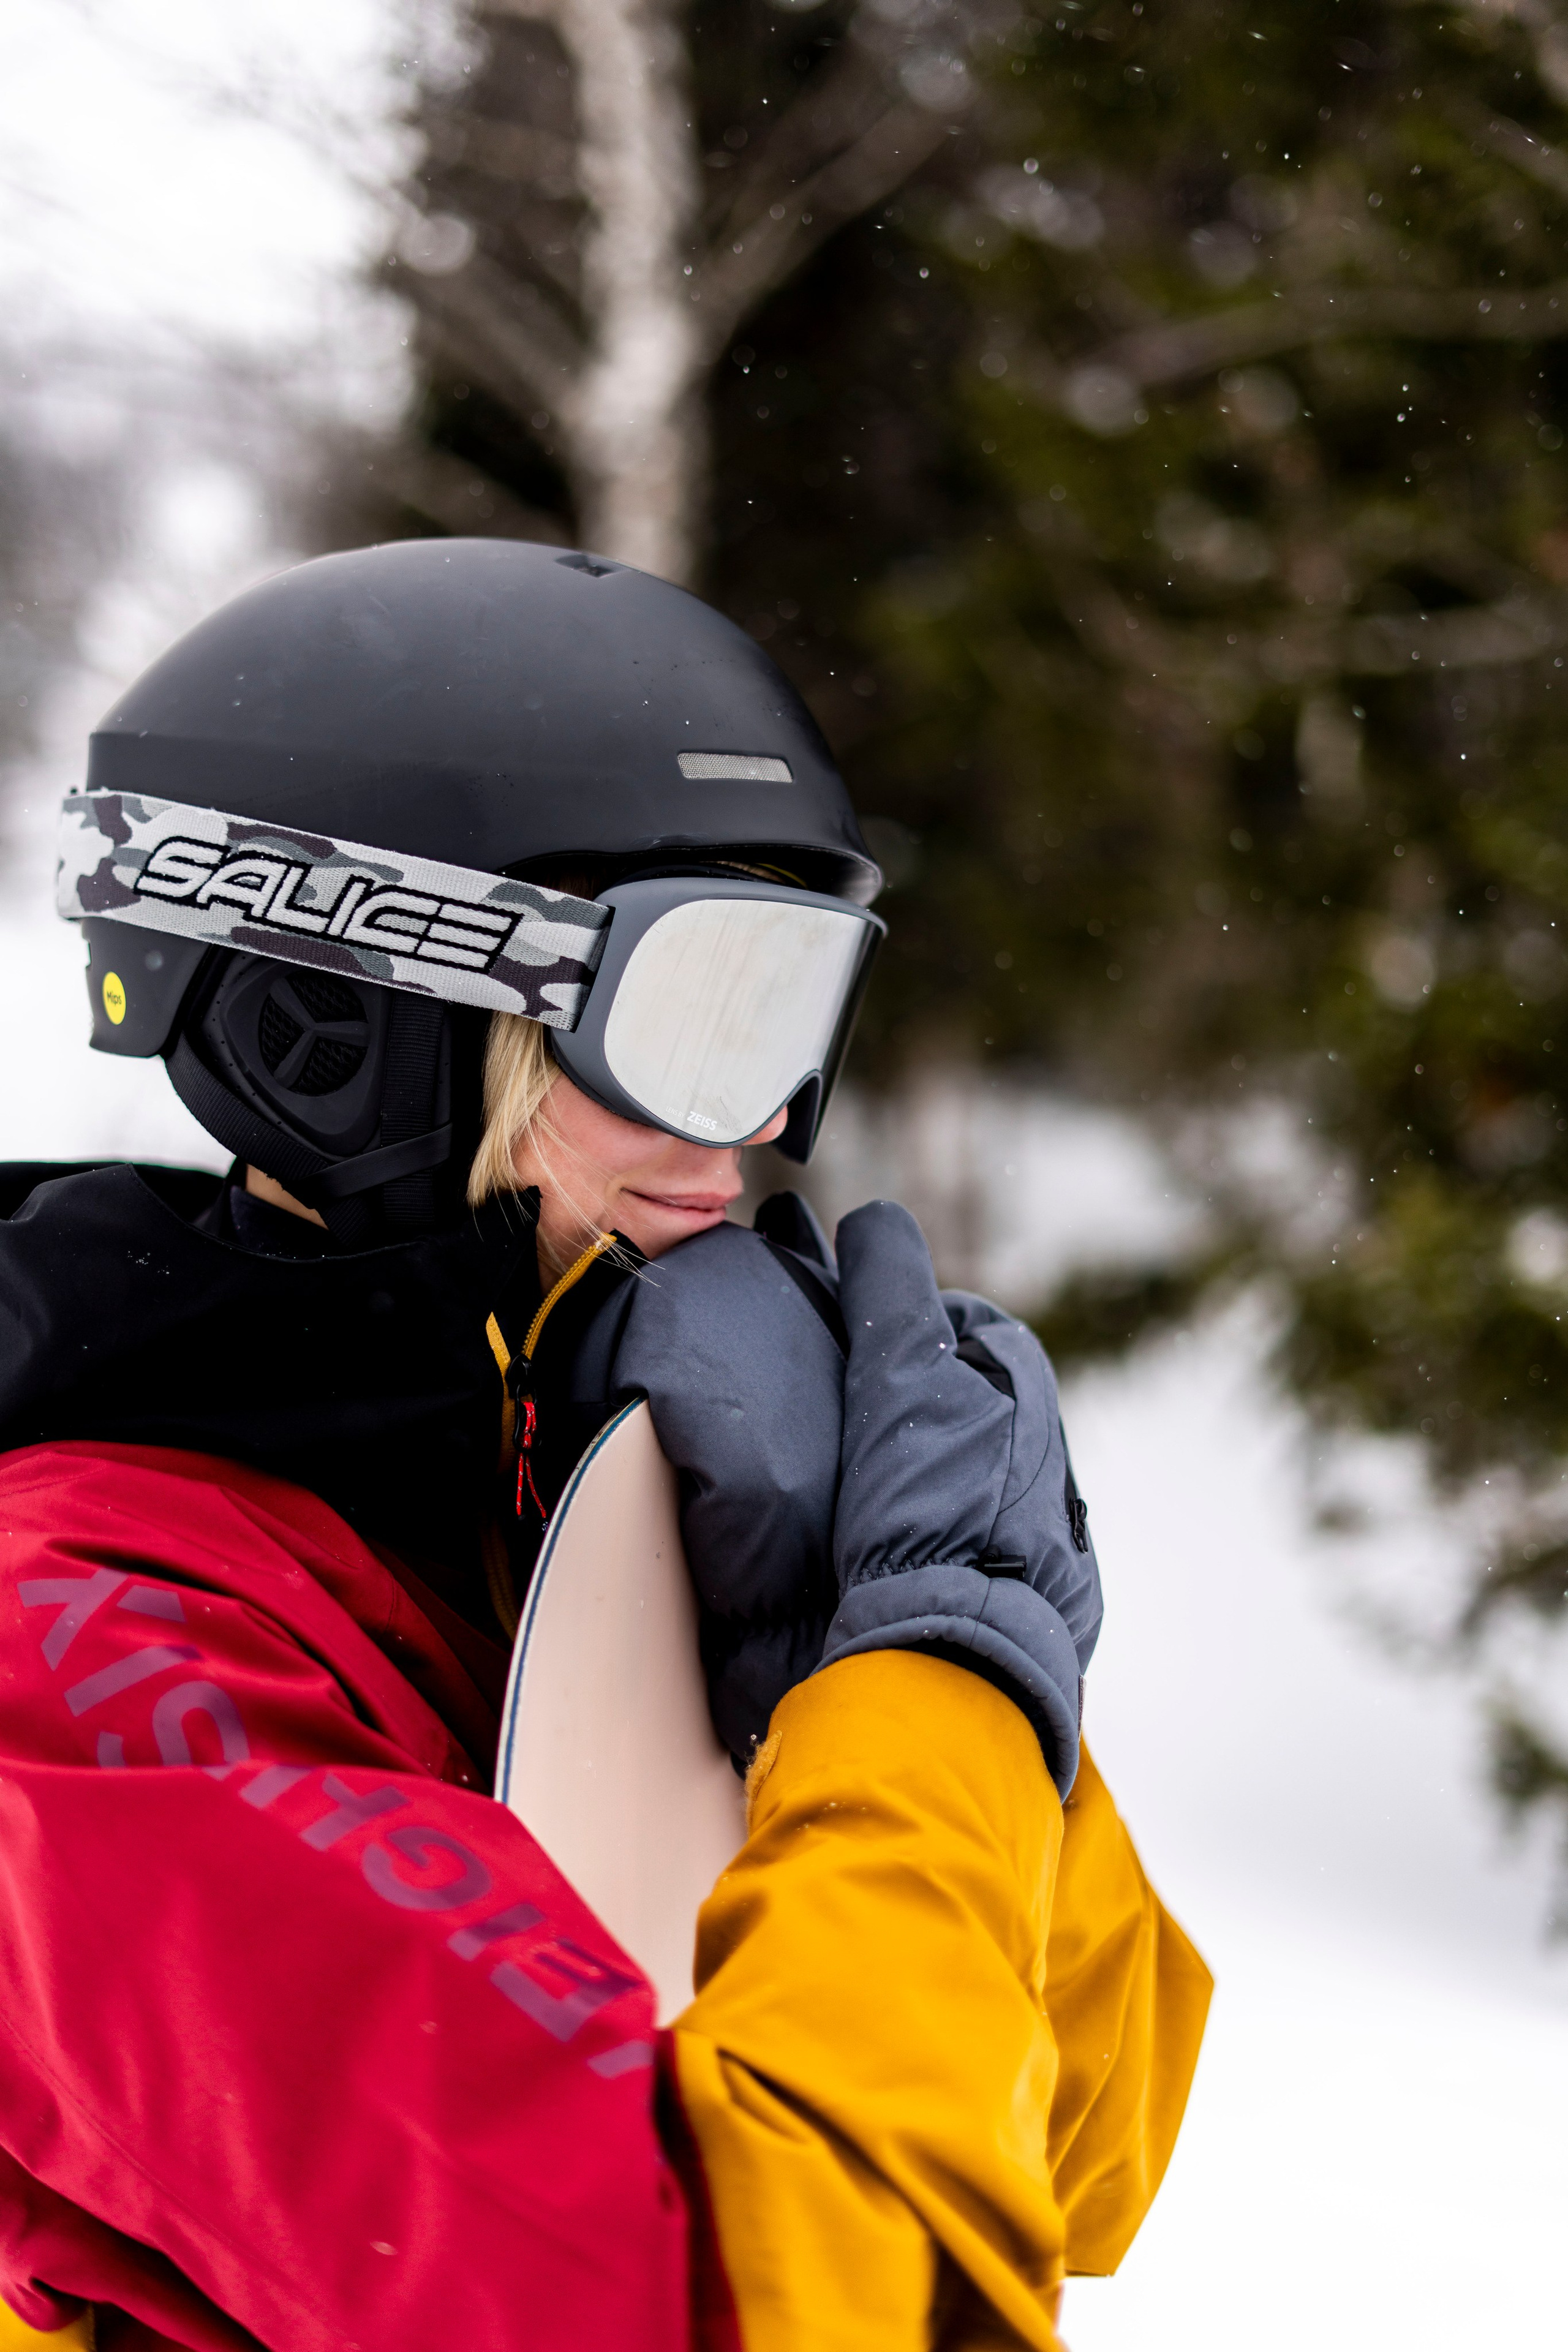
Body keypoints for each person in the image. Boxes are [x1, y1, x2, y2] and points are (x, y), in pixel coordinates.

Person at [0, 540, 1209, 2352]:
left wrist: (828, 1658)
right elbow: (772, 2302)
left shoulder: (559, 1509)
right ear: (338, 1032)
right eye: (687, 1008)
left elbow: (1088, 2142)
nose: (748, 1142)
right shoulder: (86, 1645)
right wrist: (938, 1690)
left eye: (790, 1018)